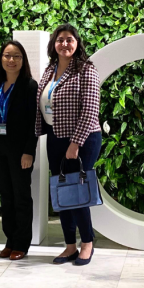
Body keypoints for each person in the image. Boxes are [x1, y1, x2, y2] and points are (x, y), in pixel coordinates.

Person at [36, 23, 101, 266]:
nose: (65, 43)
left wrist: (75, 143)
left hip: (82, 139)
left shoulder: (86, 69)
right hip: (55, 137)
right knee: (61, 190)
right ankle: (69, 246)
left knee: (76, 191)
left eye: (69, 39)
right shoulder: (49, 70)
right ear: (54, 43)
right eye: (60, 39)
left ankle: (87, 243)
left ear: (77, 43)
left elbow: (90, 110)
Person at [0, 40, 39, 261]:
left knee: (21, 197)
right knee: (6, 197)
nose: (11, 60)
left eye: (16, 56)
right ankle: (10, 240)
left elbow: (33, 123)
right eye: (7, 55)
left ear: (23, 60)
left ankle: (22, 243)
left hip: (20, 151)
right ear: (1, 59)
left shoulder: (29, 85)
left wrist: (29, 151)